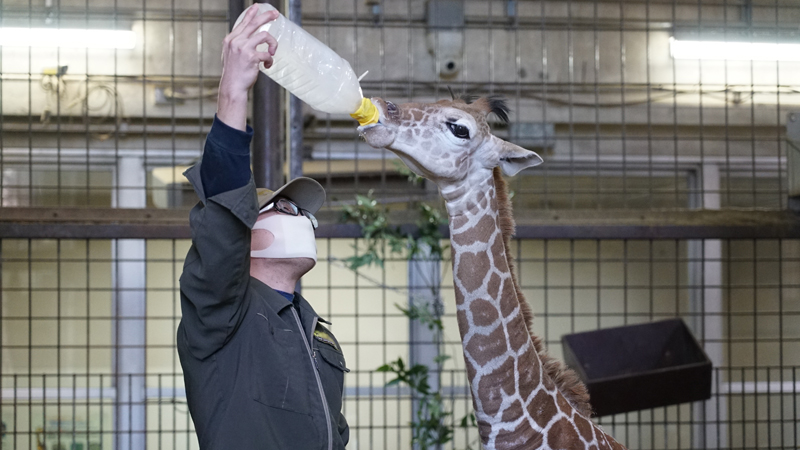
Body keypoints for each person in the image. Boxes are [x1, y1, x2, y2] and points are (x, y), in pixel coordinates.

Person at [177, 5, 349, 449]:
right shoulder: (222, 313)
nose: (301, 219)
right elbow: (221, 220)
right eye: (282, 208)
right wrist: (233, 94)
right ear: (246, 232)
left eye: (303, 213)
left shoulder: (315, 330)